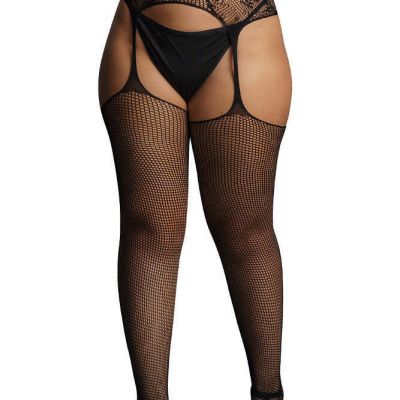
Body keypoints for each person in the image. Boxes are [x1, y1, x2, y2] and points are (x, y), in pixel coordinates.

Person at [99, 1, 292, 399]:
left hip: (242, 38)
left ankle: (269, 392)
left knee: (246, 232)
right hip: (139, 36)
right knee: (149, 230)